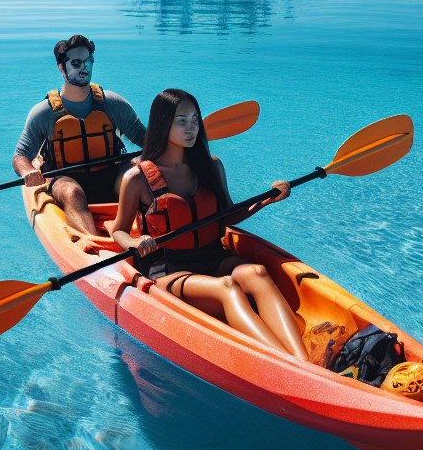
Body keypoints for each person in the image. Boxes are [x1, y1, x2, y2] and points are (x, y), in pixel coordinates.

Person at [111, 88, 309, 360]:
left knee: (257, 273)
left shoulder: (211, 166)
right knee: (227, 288)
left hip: (215, 256)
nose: (191, 128)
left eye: (195, 120)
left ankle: (303, 361)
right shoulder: (137, 178)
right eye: (181, 121)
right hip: (169, 267)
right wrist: (133, 242)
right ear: (162, 124)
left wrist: (266, 200)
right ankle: (288, 366)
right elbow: (118, 229)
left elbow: (226, 216)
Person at [13, 34, 146, 235]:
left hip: (111, 177)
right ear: (61, 67)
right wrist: (27, 171)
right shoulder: (44, 113)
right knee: (72, 191)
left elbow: (146, 139)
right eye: (76, 63)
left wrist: (147, 157)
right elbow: (20, 155)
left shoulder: (113, 104)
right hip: (65, 181)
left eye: (88, 62)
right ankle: (94, 245)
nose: (84, 68)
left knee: (139, 171)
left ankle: (154, 225)